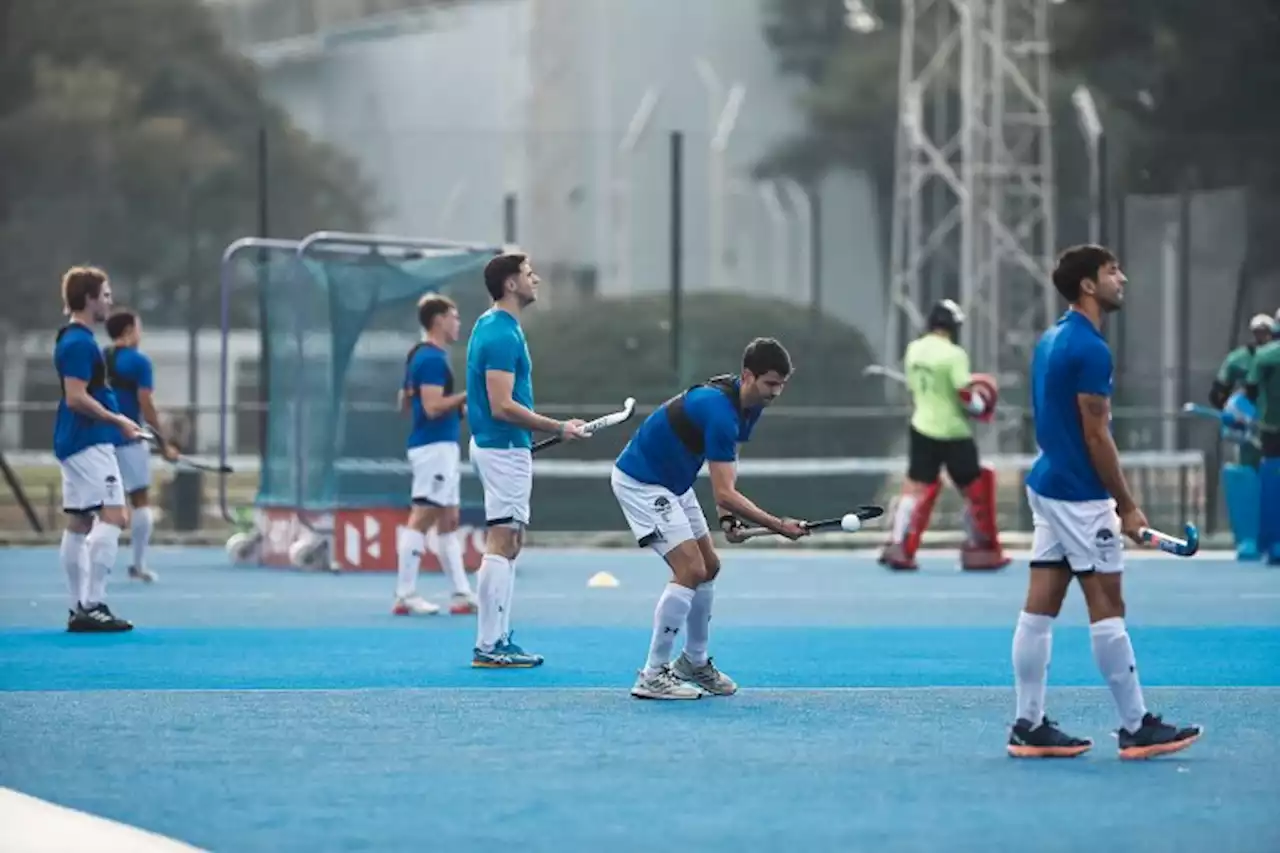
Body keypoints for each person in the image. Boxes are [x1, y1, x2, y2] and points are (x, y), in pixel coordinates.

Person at [1009, 244, 1202, 760]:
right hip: (1079, 495)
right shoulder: (1091, 349)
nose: (1123, 278)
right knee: (1108, 605)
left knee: (1041, 604)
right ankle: (1136, 726)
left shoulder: (1052, 338)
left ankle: (1027, 725)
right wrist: (1128, 507)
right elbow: (1097, 435)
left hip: (1048, 483)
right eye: (1112, 271)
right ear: (1089, 285)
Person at [611, 338, 808, 700]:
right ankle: (652, 674)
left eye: (781, 384)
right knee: (690, 570)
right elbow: (724, 493)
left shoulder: (748, 405)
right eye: (770, 384)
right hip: (642, 481)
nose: (776, 393)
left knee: (710, 566)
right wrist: (778, 526)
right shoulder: (719, 409)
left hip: (676, 482)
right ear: (748, 375)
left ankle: (694, 662)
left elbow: (726, 471)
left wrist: (728, 520)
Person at [466, 252, 586, 667]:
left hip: (503, 445)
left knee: (510, 541)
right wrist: (557, 427)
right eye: (529, 274)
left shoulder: (498, 327)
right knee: (503, 540)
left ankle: (497, 639)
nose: (536, 279)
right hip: (502, 446)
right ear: (511, 284)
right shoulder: (500, 334)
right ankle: (488, 645)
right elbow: (502, 405)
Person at [879, 298, 1008, 572]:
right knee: (974, 491)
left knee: (914, 488)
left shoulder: (914, 349)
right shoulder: (954, 354)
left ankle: (897, 543)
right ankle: (978, 548)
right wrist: (981, 406)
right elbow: (964, 392)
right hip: (953, 431)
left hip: (922, 425)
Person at [54, 267, 146, 632]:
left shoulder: (76, 339)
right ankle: (93, 604)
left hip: (76, 441)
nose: (109, 301)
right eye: (105, 295)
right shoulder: (79, 343)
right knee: (115, 515)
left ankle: (79, 606)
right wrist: (119, 420)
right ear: (90, 299)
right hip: (87, 441)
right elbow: (76, 398)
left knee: (79, 520)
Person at [393, 292, 477, 616]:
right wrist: (468, 397)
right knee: (423, 515)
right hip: (434, 448)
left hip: (440, 446)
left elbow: (406, 401)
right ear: (439, 319)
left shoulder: (423, 356)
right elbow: (430, 407)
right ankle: (405, 594)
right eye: (454, 317)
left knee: (449, 519)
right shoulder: (430, 359)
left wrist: (455, 408)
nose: (458, 324)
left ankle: (460, 594)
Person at [104, 309, 179, 584]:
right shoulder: (139, 362)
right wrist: (163, 442)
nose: (140, 333)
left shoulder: (100, 357)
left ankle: (93, 566)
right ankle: (137, 564)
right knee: (140, 499)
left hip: (99, 439)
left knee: (101, 504)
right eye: (138, 328)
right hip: (129, 439)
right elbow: (146, 404)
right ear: (127, 331)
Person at [1209, 313, 1272, 560]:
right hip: (1254, 425)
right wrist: (1231, 413)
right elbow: (1219, 392)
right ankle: (1252, 537)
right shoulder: (1240, 360)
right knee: (1249, 477)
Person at [1244, 321, 1280, 564]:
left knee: (1272, 479)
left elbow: (1250, 391)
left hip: (1271, 427)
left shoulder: (1265, 356)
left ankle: (1272, 541)